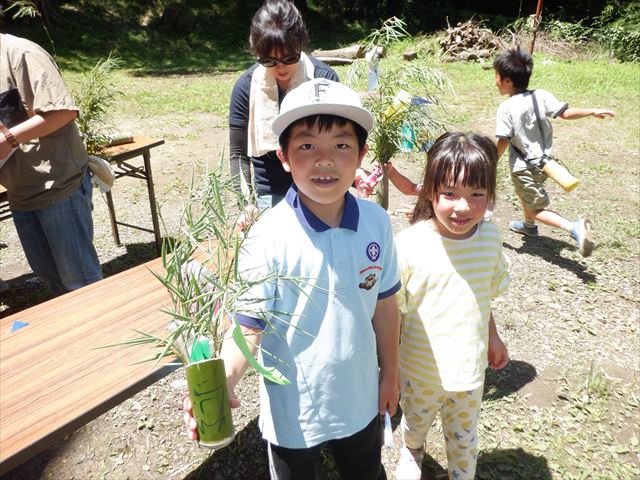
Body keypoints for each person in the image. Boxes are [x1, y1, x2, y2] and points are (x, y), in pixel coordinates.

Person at [186, 78, 401, 479]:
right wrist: (225, 378)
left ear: (361, 155)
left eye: (341, 144)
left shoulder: (376, 222)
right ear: (283, 156)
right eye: (306, 146)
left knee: (366, 473)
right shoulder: (267, 236)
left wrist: (390, 373)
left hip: (360, 399)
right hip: (294, 413)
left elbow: (386, 306)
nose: (324, 159)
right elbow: (248, 328)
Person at [393, 132, 510, 480]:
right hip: (418, 370)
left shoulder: (490, 238)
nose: (463, 207)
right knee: (415, 423)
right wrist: (388, 368)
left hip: (470, 373)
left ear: (490, 196)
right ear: (430, 191)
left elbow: (483, 296)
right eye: (450, 194)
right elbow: (393, 311)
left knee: (464, 440)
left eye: (477, 195)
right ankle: (412, 450)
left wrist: (494, 337)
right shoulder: (410, 244)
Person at [0, 33, 102, 295]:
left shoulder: (22, 53)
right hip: (19, 193)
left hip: (57, 187)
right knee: (53, 283)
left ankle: (104, 335)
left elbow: (64, 112)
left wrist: (9, 138)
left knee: (81, 285)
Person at [494, 47, 615, 257]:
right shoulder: (540, 95)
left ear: (507, 81)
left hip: (524, 166)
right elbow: (565, 113)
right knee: (524, 193)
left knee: (536, 208)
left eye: (496, 76)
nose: (494, 81)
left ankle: (573, 227)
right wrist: (592, 111)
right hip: (546, 165)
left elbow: (503, 139)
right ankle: (529, 226)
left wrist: (490, 160)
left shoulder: (506, 108)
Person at [229, 0, 339, 219]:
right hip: (270, 189)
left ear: (301, 45)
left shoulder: (324, 80)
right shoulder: (246, 86)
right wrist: (246, 202)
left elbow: (340, 143)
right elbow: (238, 154)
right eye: (268, 60)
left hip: (321, 183)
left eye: (290, 58)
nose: (280, 67)